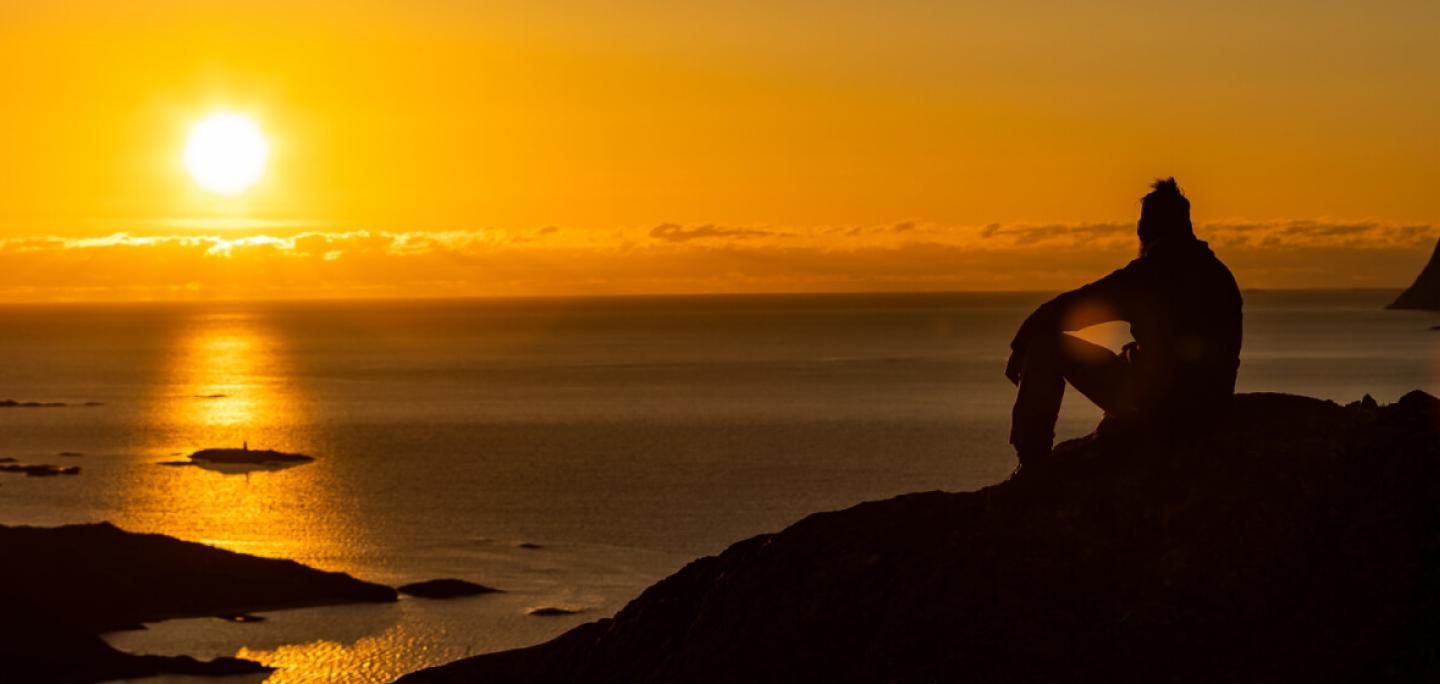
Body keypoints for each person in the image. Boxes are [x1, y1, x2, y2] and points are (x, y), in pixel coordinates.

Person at [1005, 178, 1242, 467]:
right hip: (1210, 407)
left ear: (1145, 230)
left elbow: (1066, 310)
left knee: (1046, 345)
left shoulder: (1148, 275)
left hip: (1161, 411)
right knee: (1128, 356)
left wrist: (1021, 346)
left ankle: (1031, 463)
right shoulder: (1219, 275)